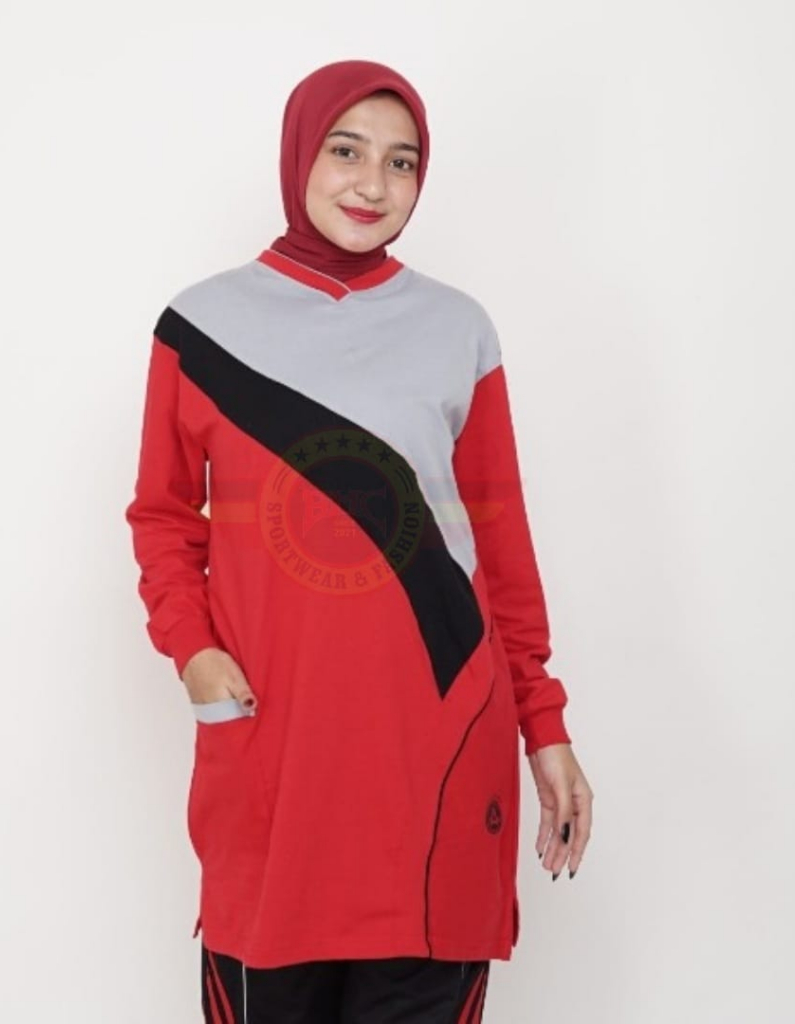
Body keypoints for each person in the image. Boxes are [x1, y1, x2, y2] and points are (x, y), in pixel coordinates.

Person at [125, 58, 594, 1023]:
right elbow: (163, 517)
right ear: (300, 153)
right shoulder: (200, 326)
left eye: (401, 161)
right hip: (277, 758)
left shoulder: (459, 329)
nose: (373, 184)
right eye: (346, 151)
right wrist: (194, 652)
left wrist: (543, 727)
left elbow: (499, 547)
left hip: (438, 757)